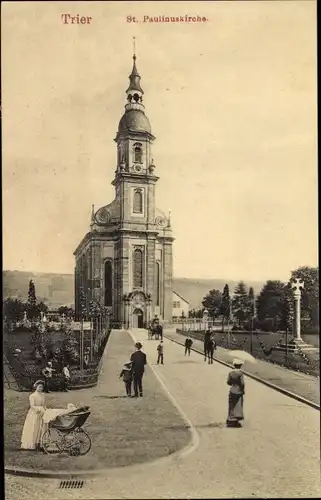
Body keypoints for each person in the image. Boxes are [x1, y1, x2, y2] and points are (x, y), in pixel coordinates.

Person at [21, 380, 46, 451]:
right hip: (34, 413)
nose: (41, 388)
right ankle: (32, 444)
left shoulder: (43, 395)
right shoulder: (32, 396)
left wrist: (45, 410)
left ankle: (39, 443)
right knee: (34, 428)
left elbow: (44, 405)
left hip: (42, 412)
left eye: (42, 387)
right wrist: (38, 409)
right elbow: (32, 406)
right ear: (36, 387)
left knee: (40, 428)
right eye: (39, 387)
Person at [226, 359, 245, 428]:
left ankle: (230, 418)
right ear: (240, 366)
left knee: (231, 405)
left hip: (232, 390)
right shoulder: (240, 374)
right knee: (238, 405)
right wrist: (242, 390)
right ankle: (236, 420)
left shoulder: (231, 373)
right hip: (238, 391)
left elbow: (228, 382)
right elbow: (242, 383)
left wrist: (233, 382)